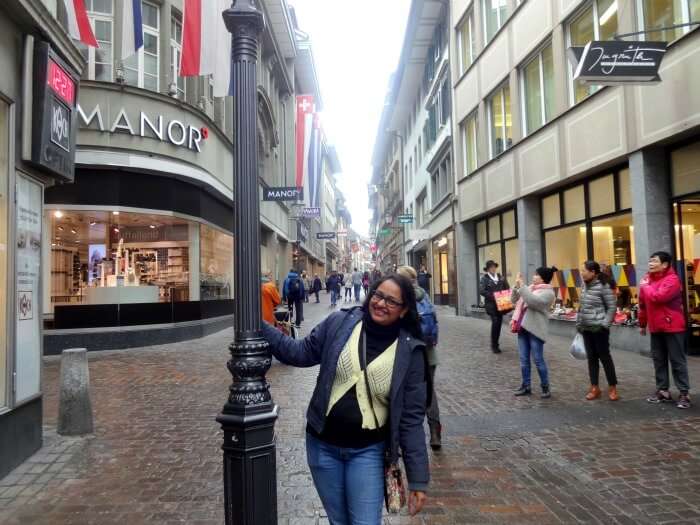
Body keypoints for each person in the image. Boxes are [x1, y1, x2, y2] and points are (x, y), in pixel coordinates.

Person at [261, 274, 429, 522]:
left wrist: (418, 479)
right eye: (378, 295)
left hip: (368, 451)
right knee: (338, 521)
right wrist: (259, 324)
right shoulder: (341, 323)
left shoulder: (411, 351)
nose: (381, 303)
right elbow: (300, 353)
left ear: (404, 311)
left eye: (391, 301)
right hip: (322, 446)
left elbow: (411, 420)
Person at [397, 266, 441, 450]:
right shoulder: (425, 295)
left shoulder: (401, 297)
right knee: (429, 394)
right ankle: (435, 433)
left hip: (406, 353)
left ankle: (399, 438)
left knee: (399, 393)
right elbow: (434, 321)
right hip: (428, 353)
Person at [639, 251, 691, 409]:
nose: (650, 264)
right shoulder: (647, 280)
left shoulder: (672, 280)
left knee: (677, 361)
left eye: (654, 261)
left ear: (665, 264)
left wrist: (646, 286)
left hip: (672, 326)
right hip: (656, 326)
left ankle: (684, 393)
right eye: (650, 261)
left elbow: (659, 297)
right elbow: (643, 304)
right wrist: (642, 324)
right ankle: (663, 391)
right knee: (659, 360)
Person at [511, 266, 557, 398]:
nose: (533, 277)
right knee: (523, 359)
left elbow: (533, 302)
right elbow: (514, 300)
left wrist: (522, 287)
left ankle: (545, 387)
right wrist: (516, 286)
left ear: (543, 278)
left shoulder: (548, 293)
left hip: (536, 329)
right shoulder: (530, 288)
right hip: (523, 327)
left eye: (536, 275)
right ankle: (526, 386)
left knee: (538, 359)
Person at [577, 261, 619, 401]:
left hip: (599, 329)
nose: (582, 272)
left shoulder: (603, 286)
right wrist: (579, 323)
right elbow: (581, 307)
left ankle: (612, 387)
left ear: (593, 272)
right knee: (591, 358)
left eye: (584, 270)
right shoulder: (584, 286)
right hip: (586, 328)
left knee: (605, 358)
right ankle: (595, 387)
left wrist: (604, 325)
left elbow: (612, 307)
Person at [479, 260, 510, 354]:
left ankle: (495, 343)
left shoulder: (501, 277)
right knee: (495, 322)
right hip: (491, 305)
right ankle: (494, 345)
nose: (493, 268)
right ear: (488, 269)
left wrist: (505, 296)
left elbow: (507, 288)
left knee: (499, 324)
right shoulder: (484, 278)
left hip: (501, 304)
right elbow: (482, 291)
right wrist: (494, 296)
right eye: (491, 267)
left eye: (494, 267)